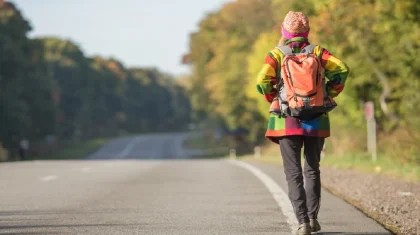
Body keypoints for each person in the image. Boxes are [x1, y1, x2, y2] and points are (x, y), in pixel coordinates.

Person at [256, 11, 349, 235]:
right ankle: (313, 217)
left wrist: (274, 97)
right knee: (312, 170)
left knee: (293, 172)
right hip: (316, 118)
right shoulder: (318, 52)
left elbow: (261, 81)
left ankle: (302, 223)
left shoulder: (277, 54)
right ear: (306, 32)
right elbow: (342, 69)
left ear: (285, 32)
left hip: (285, 119)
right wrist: (328, 92)